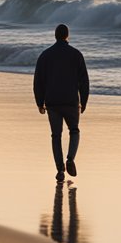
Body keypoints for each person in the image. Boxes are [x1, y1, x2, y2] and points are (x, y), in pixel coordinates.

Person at [33, 23, 89, 181]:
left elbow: (38, 81)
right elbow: (84, 81)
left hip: (53, 102)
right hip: (71, 101)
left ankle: (60, 170)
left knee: (56, 136)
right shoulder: (76, 54)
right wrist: (84, 101)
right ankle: (70, 158)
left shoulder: (45, 55)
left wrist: (39, 101)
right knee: (74, 130)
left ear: (55, 35)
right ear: (67, 36)